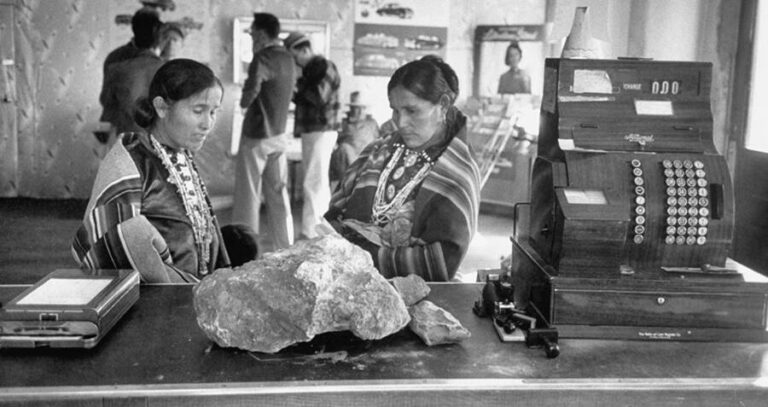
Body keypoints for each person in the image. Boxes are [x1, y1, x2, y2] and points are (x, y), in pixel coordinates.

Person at [73, 59, 233, 283]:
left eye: (214, 112)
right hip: (153, 303)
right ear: (161, 107)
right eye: (198, 111)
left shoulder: (179, 153)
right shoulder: (129, 162)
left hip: (192, 296)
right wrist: (186, 288)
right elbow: (111, 241)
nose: (208, 123)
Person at [325, 56, 481, 281]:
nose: (400, 122)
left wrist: (364, 256)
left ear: (444, 105)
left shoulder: (457, 174)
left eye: (412, 111)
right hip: (350, 279)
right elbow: (334, 217)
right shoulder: (378, 150)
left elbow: (441, 262)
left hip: (420, 294)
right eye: (395, 110)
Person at [231, 13, 296, 251]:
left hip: (257, 134)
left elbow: (249, 96)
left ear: (261, 33)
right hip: (279, 135)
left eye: (252, 33)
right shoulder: (288, 58)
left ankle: (245, 249)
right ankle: (286, 246)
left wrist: (244, 101)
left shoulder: (263, 58)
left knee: (248, 195)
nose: (251, 37)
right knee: (279, 196)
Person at [284, 31, 341, 240]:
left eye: (294, 56)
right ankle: (318, 230)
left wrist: (294, 87)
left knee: (313, 182)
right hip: (314, 130)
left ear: (305, 49)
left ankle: (311, 232)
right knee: (316, 181)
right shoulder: (310, 71)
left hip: (321, 130)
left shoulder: (324, 67)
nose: (294, 61)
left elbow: (318, 97)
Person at [99, 10, 164, 142]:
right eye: (149, 28)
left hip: (154, 135)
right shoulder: (116, 59)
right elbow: (107, 101)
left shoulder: (160, 62)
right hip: (126, 133)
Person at [330, 91, 380, 183]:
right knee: (344, 149)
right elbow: (336, 144)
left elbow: (379, 142)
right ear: (351, 109)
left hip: (368, 160)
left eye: (363, 108)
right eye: (357, 108)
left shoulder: (372, 123)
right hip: (348, 162)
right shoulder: (344, 123)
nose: (360, 111)